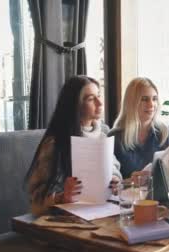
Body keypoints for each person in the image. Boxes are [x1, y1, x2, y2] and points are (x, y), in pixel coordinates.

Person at [25, 75, 121, 216]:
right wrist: (62, 197)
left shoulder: (103, 134)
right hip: (62, 221)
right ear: (75, 104)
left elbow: (115, 171)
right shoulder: (55, 143)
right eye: (90, 99)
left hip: (99, 212)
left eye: (99, 95)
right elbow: (36, 201)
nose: (100, 103)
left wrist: (115, 182)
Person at [109, 77, 169, 178]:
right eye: (144, 99)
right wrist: (130, 181)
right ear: (131, 102)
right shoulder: (114, 138)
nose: (151, 104)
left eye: (154, 99)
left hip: (159, 194)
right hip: (126, 193)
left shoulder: (167, 133)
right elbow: (107, 183)